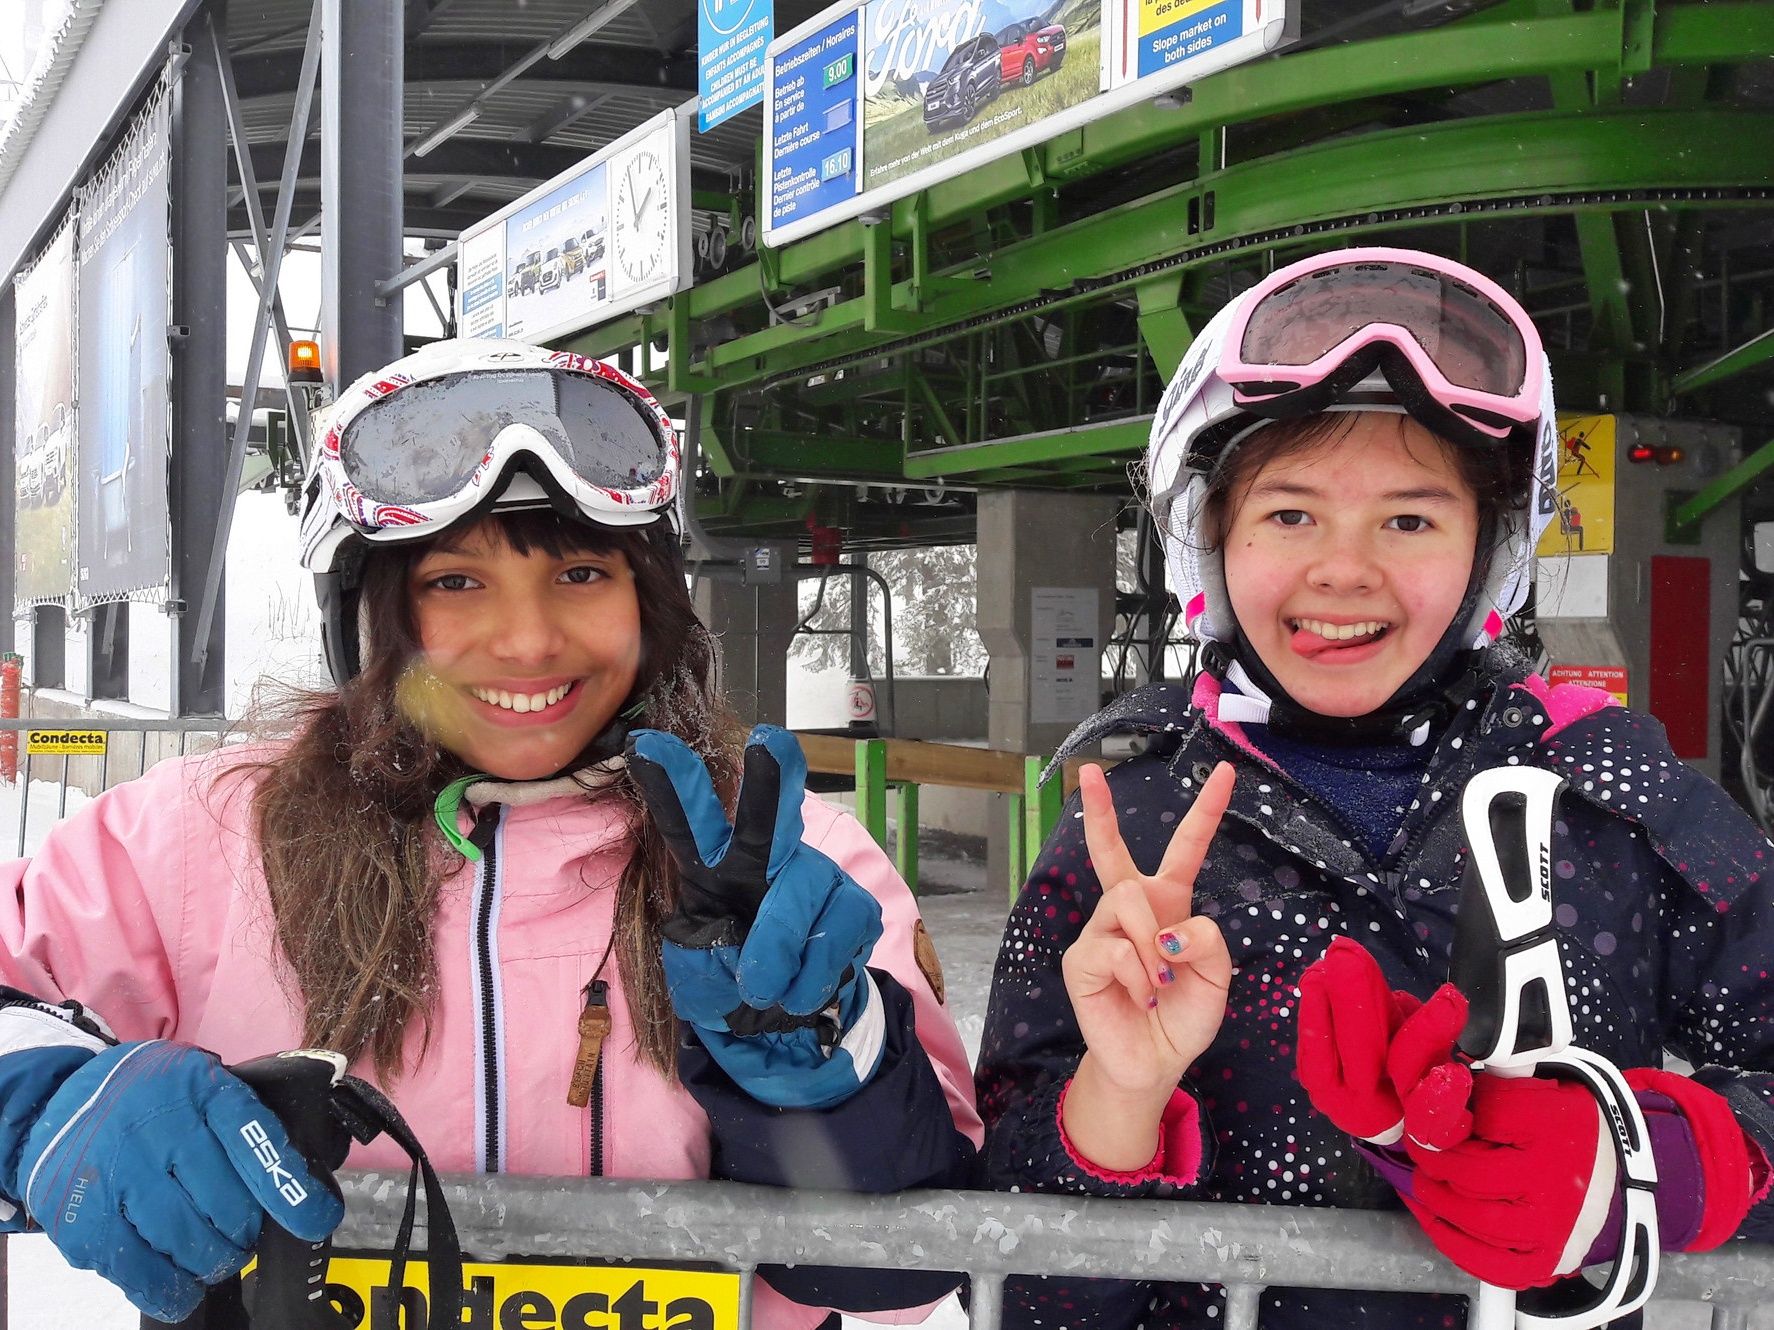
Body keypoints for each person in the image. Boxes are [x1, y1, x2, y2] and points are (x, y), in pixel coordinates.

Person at [0, 340, 982, 1324]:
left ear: (651, 601)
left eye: (583, 572)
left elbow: (897, 1273)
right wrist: (41, 1102)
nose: (526, 640)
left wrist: (826, 1064)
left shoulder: (783, 862)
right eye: (454, 583)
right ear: (365, 609)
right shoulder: (200, 837)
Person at [975, 247, 1773, 1329]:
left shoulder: (1603, 796)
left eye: (1409, 520)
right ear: (1211, 542)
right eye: (1290, 514)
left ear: (1488, 555)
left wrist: (1650, 1166)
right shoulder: (1136, 822)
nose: (1342, 570)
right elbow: (1018, 1280)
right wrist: (1120, 1096)